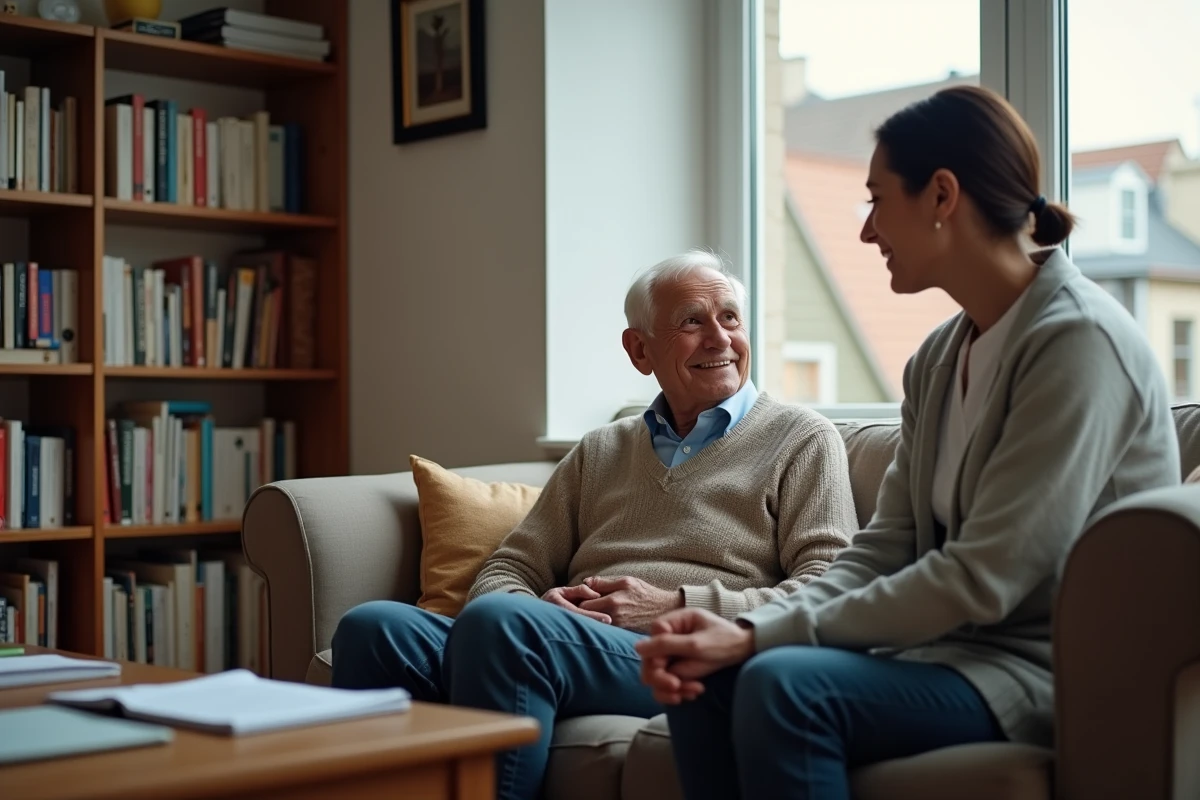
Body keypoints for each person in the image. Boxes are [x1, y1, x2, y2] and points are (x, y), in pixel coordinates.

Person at [634, 85, 1181, 800]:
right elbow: (883, 548)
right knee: (709, 682)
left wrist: (756, 637)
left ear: (942, 196)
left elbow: (983, 576)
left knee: (781, 684)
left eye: (876, 198)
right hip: (946, 655)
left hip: (1045, 671)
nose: (866, 230)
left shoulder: (1079, 343)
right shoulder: (936, 360)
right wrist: (745, 625)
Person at [330, 249, 860, 800]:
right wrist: (536, 608)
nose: (719, 338)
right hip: (564, 642)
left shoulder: (802, 439)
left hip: (678, 656)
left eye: (730, 318)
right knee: (374, 629)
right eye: (691, 322)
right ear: (639, 350)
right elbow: (512, 565)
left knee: (504, 626)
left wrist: (674, 604)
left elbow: (827, 591)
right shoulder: (602, 448)